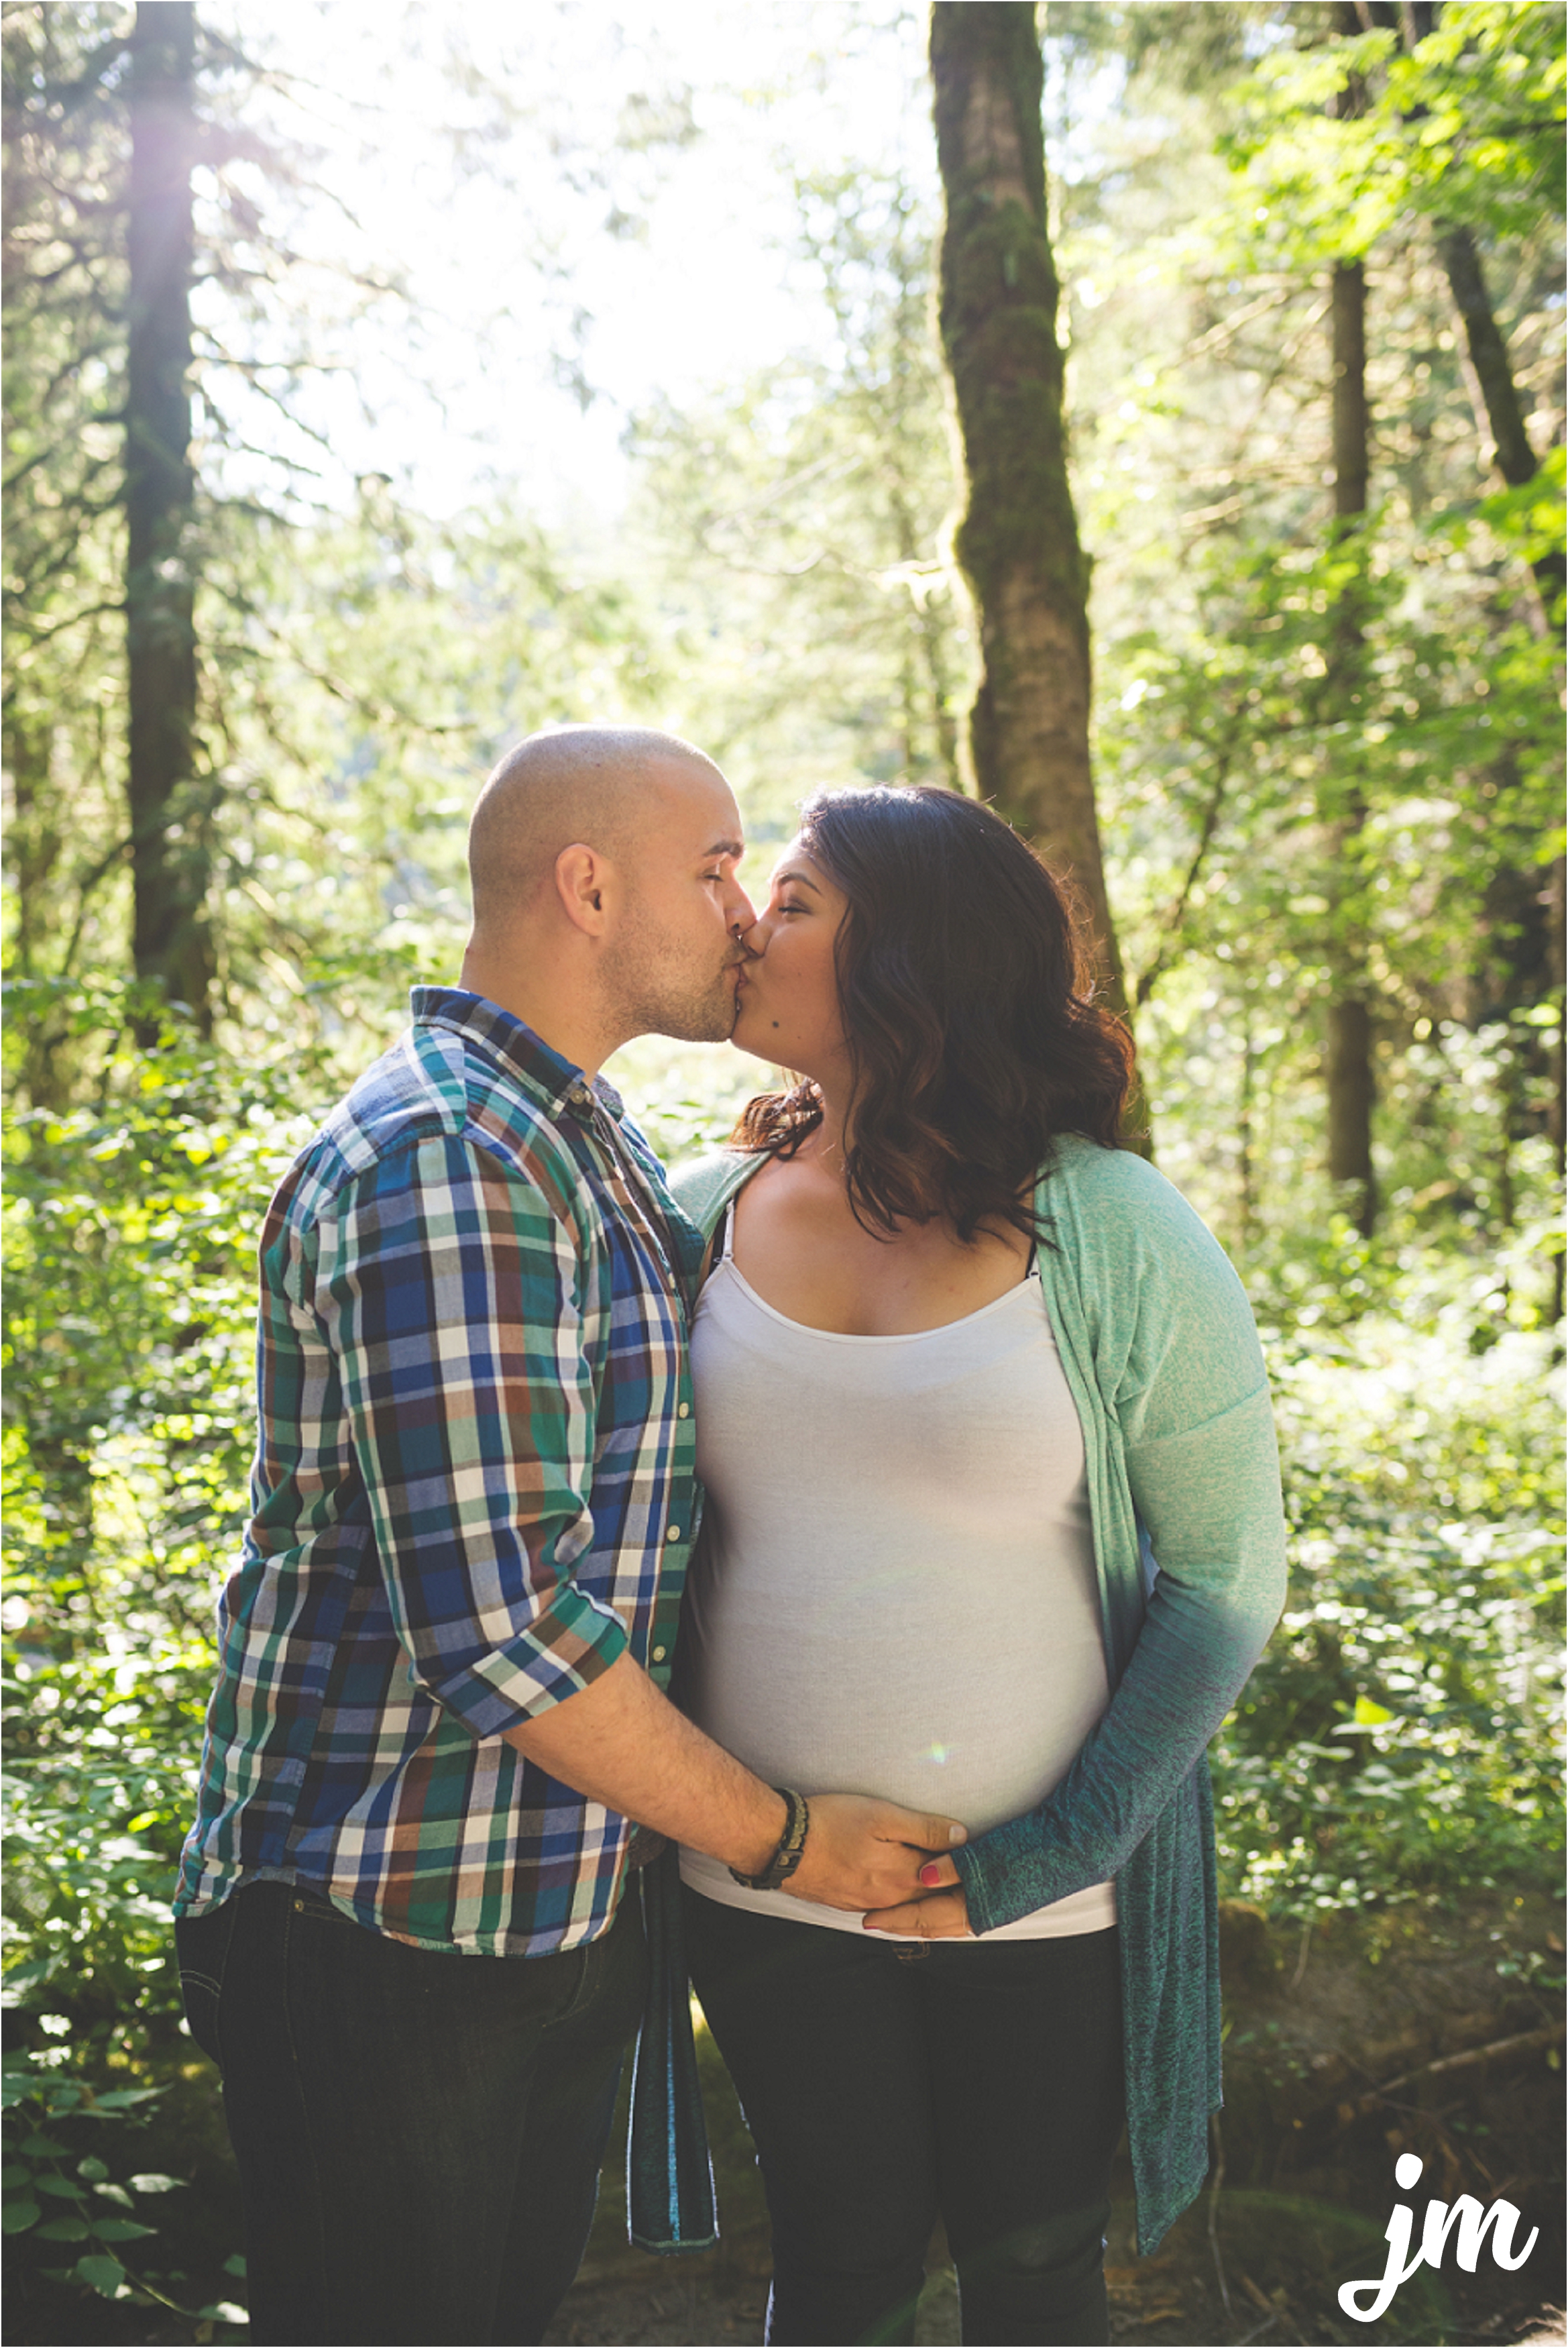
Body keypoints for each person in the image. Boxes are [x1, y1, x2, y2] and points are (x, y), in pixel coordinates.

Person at [170, 729, 966, 2348]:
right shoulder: (453, 1160)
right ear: (586, 887)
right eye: (716, 865)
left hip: (536, 1903)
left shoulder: (572, 1135)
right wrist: (781, 1836)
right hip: (386, 1925)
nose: (745, 911)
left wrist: (824, 1130)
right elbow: (498, 1633)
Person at [659, 784, 1288, 2348]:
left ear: (910, 958)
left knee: (1032, 2277)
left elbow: (1222, 1581)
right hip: (764, 1874)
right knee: (836, 2266)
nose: (747, 924)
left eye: (792, 901)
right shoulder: (689, 1217)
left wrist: (1051, 1850)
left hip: (1043, 1899)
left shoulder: (1114, 1231)